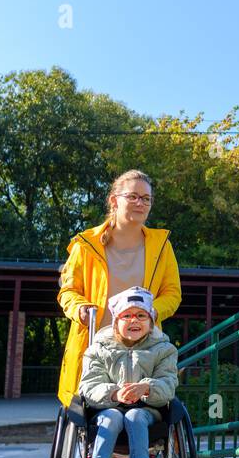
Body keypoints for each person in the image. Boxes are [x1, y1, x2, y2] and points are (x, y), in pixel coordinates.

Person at [56, 169, 181, 411]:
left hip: (144, 351)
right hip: (97, 350)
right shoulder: (85, 245)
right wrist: (80, 308)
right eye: (133, 196)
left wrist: (153, 311)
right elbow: (68, 291)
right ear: (114, 200)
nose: (140, 203)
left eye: (146, 199)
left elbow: (172, 293)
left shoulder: (162, 247)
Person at [73, 286, 179, 458]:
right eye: (127, 315)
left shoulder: (163, 349)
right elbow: (89, 385)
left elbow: (169, 384)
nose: (134, 321)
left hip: (147, 410)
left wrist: (146, 388)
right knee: (111, 417)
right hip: (106, 409)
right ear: (116, 319)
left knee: (134, 416)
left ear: (151, 321)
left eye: (141, 316)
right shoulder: (99, 348)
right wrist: (114, 392)